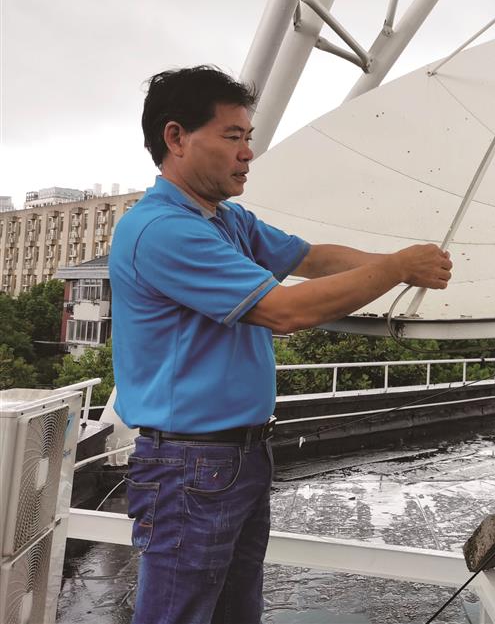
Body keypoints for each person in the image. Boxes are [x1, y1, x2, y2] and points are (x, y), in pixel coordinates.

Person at [109, 65, 452, 624]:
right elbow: (287, 311)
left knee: (233, 614)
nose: (247, 154)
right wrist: (395, 268)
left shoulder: (226, 221)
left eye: (249, 138)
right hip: (190, 463)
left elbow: (312, 258)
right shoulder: (164, 230)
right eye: (232, 137)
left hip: (237, 457)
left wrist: (413, 266)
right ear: (176, 138)